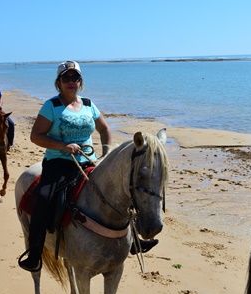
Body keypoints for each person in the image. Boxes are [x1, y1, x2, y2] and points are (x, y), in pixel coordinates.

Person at [17, 61, 157, 272]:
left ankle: (135, 240)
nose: (71, 82)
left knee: (122, 192)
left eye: (75, 78)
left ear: (80, 81)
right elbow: (36, 136)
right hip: (59, 163)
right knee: (44, 199)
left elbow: (104, 128)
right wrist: (63, 146)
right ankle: (35, 251)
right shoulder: (51, 106)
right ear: (59, 82)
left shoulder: (89, 104)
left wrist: (106, 153)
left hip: (89, 162)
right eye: (66, 78)